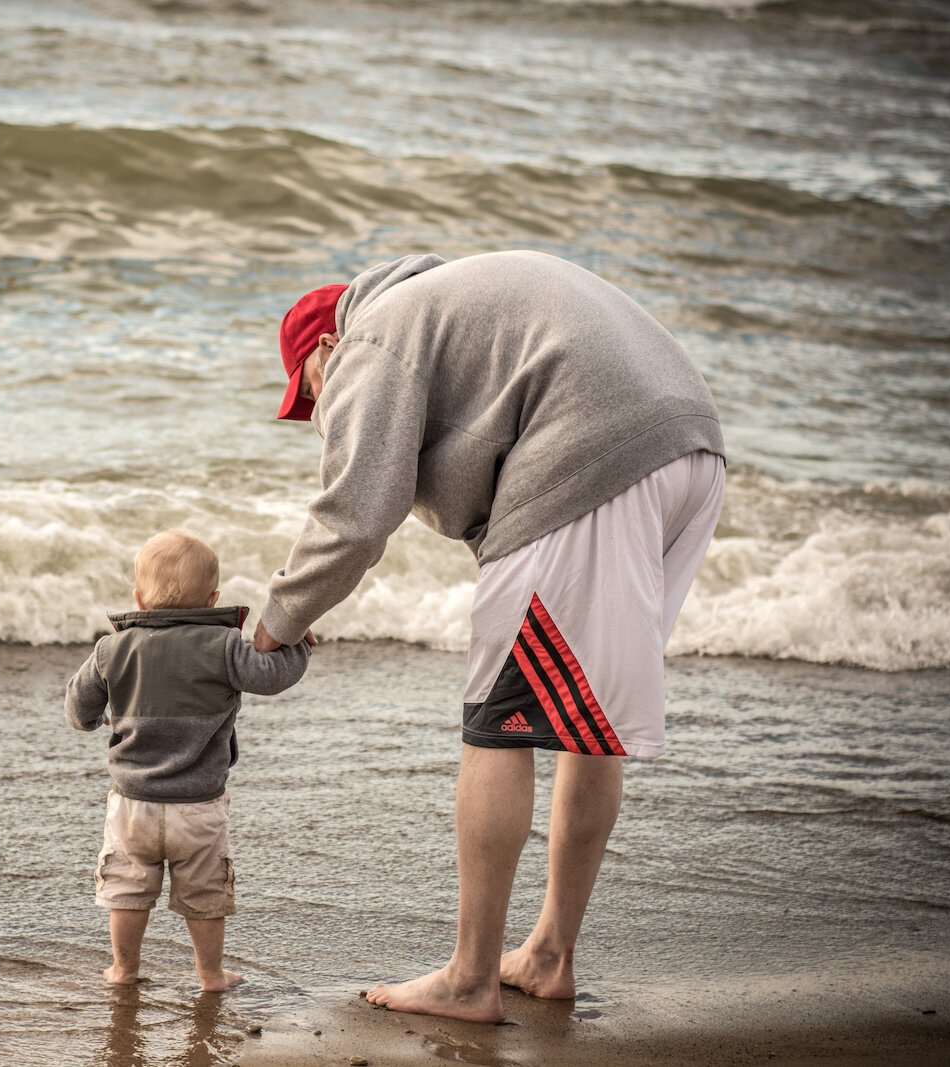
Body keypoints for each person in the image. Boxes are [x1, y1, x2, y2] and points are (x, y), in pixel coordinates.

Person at [255, 251, 725, 1022]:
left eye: (311, 392)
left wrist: (275, 624)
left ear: (325, 350)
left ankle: (470, 977)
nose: (320, 414)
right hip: (691, 449)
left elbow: (355, 516)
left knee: (497, 722)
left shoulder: (371, 340)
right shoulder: (447, 304)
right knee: (586, 720)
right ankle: (547, 954)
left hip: (593, 452)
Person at [66, 529, 312, 991]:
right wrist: (296, 640)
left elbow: (78, 710)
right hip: (199, 807)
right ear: (213, 598)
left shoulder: (111, 649)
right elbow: (274, 675)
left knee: (127, 892)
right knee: (204, 896)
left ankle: (124, 970)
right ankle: (210, 975)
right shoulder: (225, 648)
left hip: (131, 805)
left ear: (138, 598)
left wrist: (100, 719)